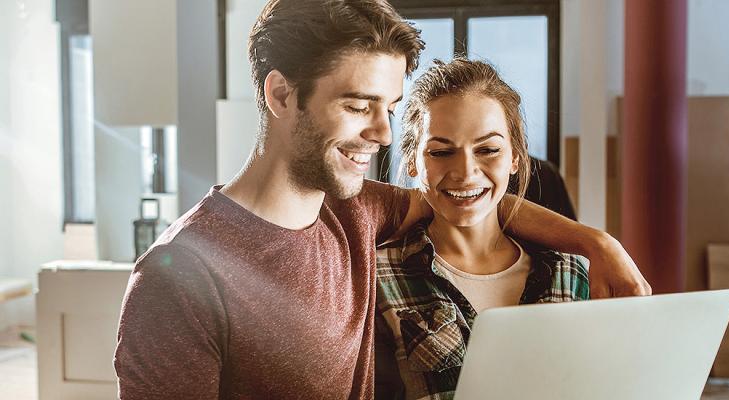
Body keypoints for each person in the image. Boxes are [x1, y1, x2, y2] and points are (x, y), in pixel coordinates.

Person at [113, 1, 650, 399]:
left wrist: (597, 244)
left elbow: (471, 198)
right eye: (358, 105)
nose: (384, 133)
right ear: (280, 94)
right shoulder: (176, 275)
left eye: (390, 107)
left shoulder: (358, 210)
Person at [374, 58, 588, 399]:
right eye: (442, 152)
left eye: (488, 149)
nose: (466, 172)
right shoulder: (378, 278)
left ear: (515, 157)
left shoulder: (569, 272)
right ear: (413, 160)